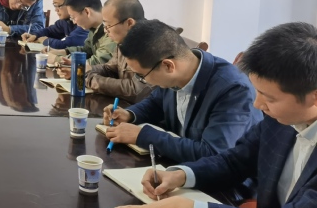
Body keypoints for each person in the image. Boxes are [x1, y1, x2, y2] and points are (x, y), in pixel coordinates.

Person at [108, 22, 317, 208]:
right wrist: (180, 174)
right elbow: (234, 161)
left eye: (269, 98)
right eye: (258, 92)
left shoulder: (246, 96)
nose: (257, 104)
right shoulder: (279, 120)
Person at [103, 19, 260, 162]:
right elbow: (156, 103)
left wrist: (143, 136)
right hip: (180, 167)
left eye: (142, 76)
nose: (142, 80)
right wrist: (130, 114)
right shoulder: (179, 73)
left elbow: (212, 153)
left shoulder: (233, 90)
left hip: (222, 181)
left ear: (168, 66)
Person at [85, 0, 153, 104]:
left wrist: (90, 79)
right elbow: (110, 69)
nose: (106, 31)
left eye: (108, 26)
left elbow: (136, 91)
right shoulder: (125, 40)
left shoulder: (151, 44)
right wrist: (82, 70)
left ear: (129, 23)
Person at [47, 0, 115, 66]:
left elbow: (97, 62)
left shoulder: (111, 30)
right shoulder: (93, 27)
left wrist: (56, 59)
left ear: (87, 12)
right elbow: (87, 51)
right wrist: (61, 52)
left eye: (73, 17)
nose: (74, 22)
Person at [21, 0, 87, 49]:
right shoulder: (65, 21)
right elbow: (50, 31)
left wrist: (46, 41)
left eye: (58, 5)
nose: (56, 10)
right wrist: (35, 35)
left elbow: (68, 44)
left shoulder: (83, 22)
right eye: (54, 5)